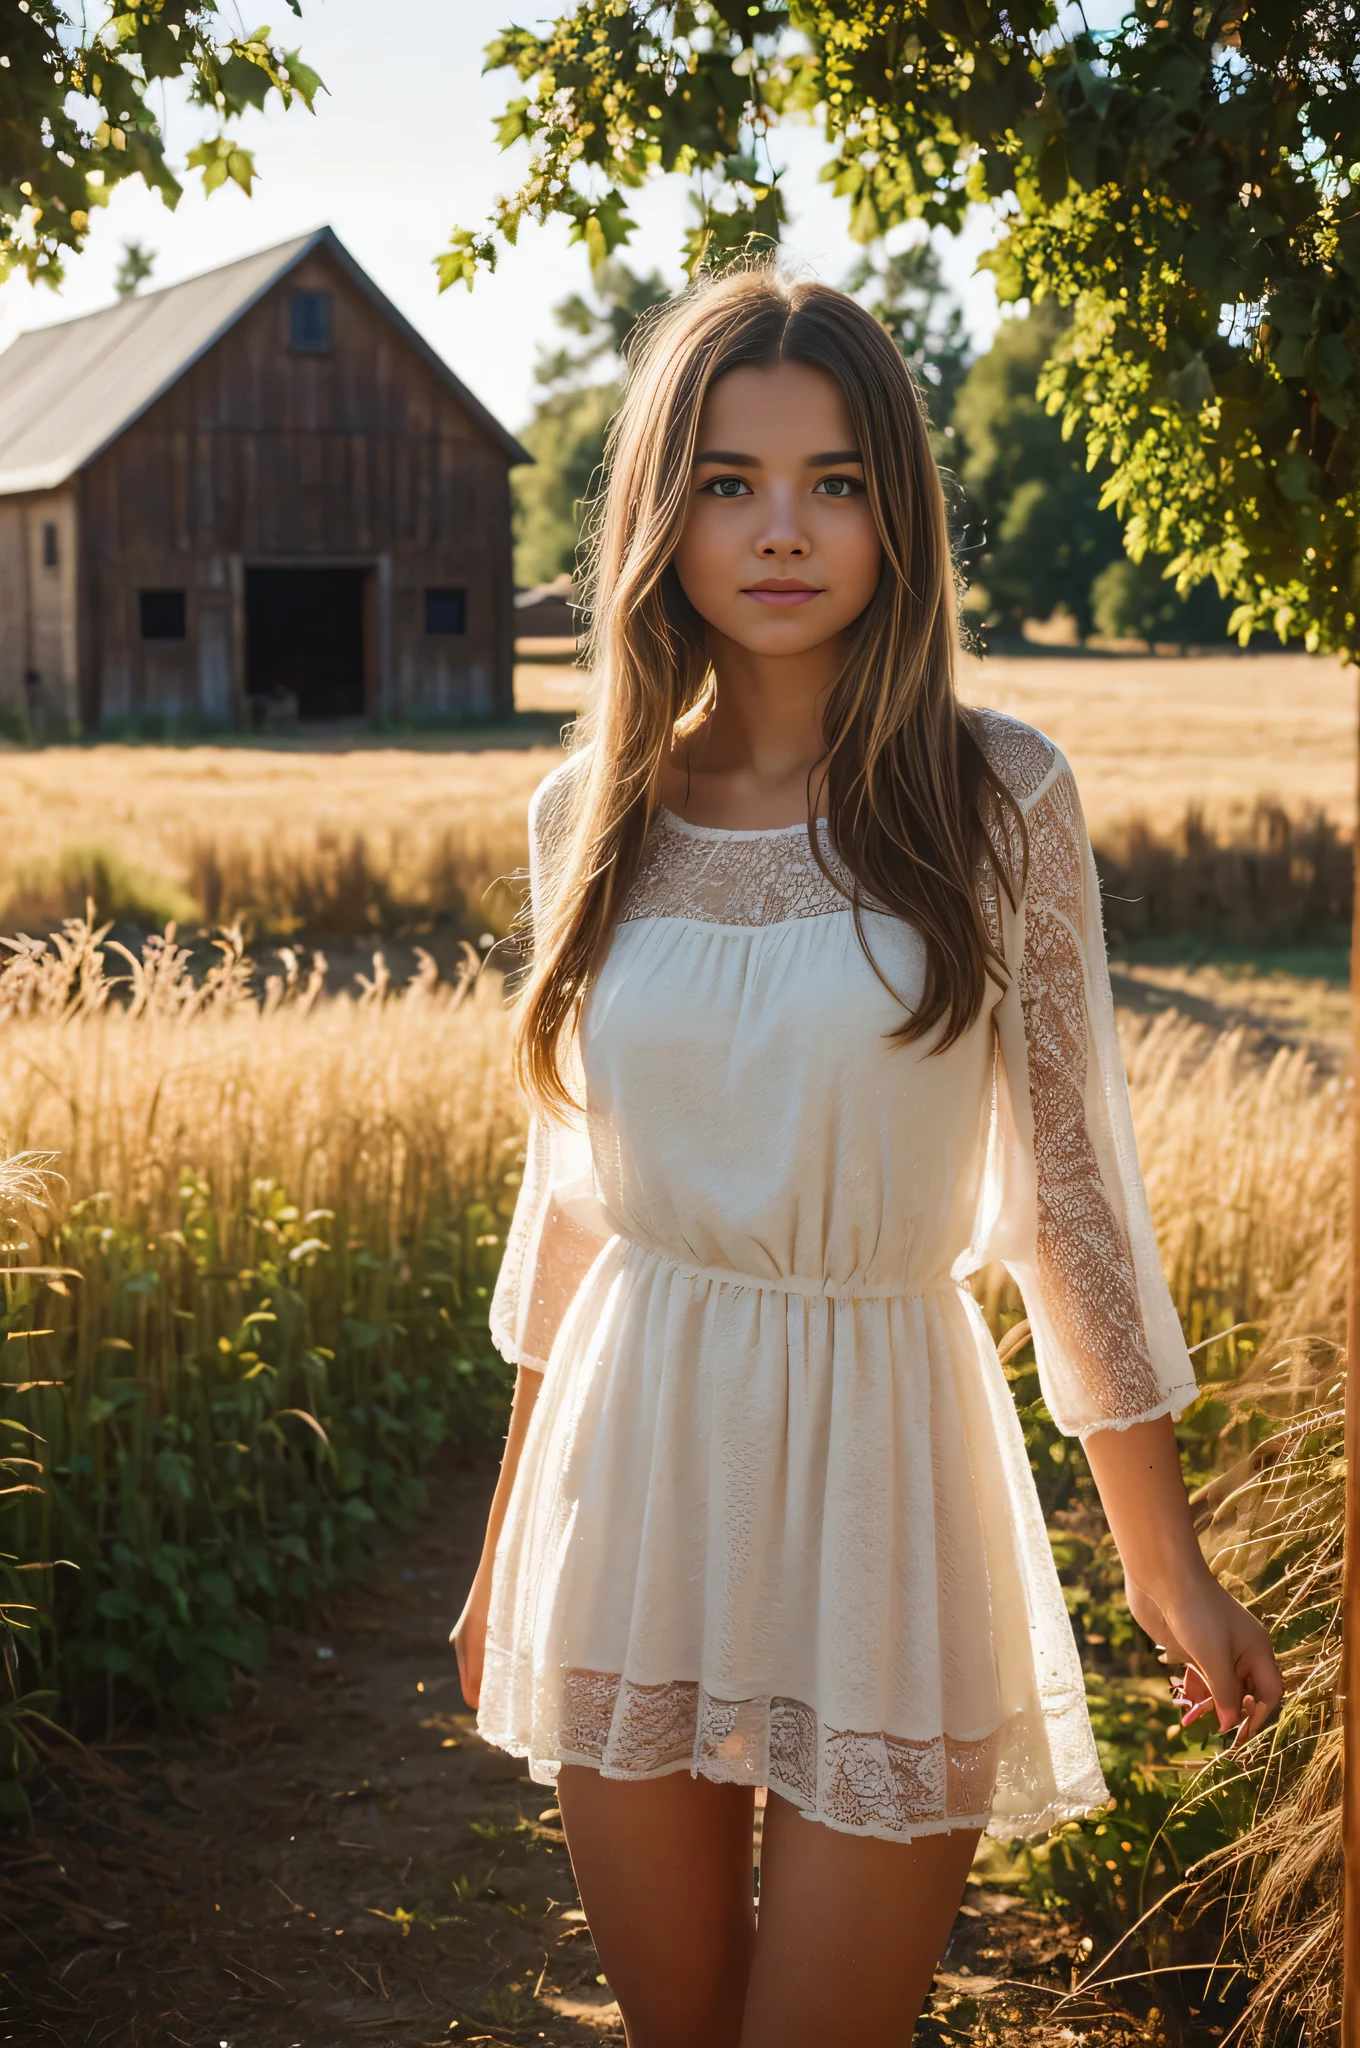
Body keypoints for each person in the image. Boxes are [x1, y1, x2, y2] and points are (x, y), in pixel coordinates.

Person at [451, 268, 1284, 2048]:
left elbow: (1071, 1199)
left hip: (882, 1476)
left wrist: (1164, 1559)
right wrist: (506, 1535)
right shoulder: (583, 809)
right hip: (636, 1466)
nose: (781, 531)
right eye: (731, 481)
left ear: (898, 510)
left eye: (834, 481)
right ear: (660, 511)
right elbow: (573, 1198)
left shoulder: (999, 800)